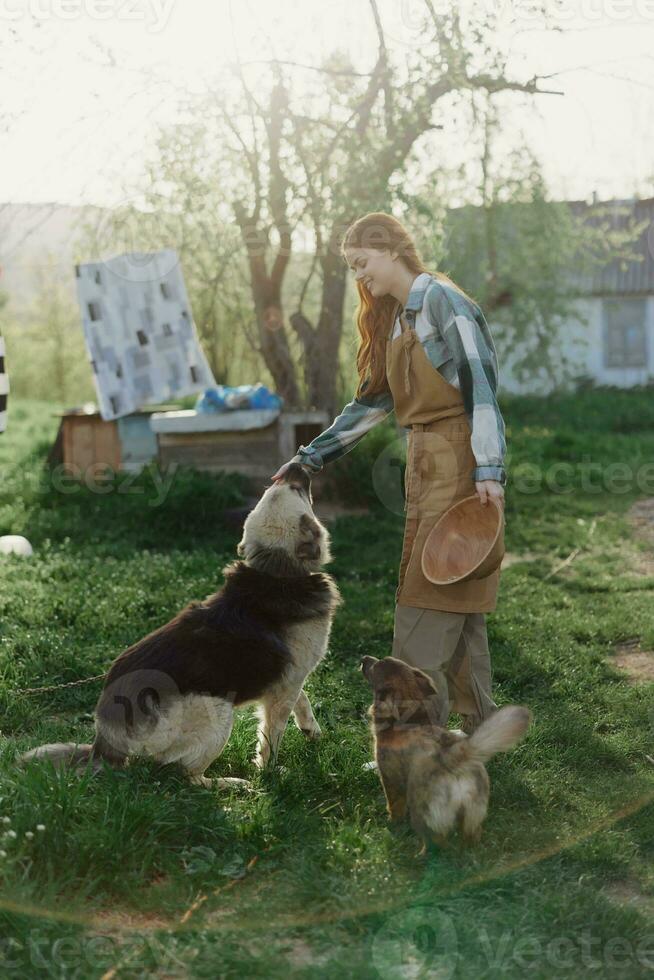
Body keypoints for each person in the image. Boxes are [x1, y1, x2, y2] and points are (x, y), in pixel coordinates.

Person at [271, 212, 506, 735]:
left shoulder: (442, 301)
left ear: (394, 250)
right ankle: (479, 728)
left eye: (363, 263)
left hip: (460, 457)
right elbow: (371, 405)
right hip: (424, 461)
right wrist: (309, 458)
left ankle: (413, 734)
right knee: (455, 590)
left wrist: (489, 467)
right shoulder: (398, 318)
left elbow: (480, 386)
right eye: (352, 268)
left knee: (428, 593)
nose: (360, 277)